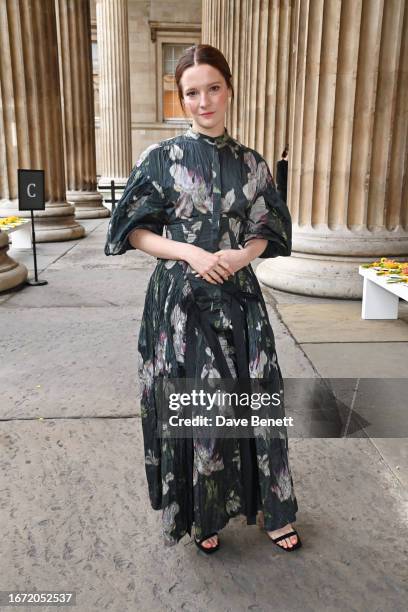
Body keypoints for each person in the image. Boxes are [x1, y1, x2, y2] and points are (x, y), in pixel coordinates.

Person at [104, 44, 301, 553]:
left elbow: (268, 229)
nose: (204, 101)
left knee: (256, 398)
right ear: (182, 98)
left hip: (238, 298)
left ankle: (272, 510)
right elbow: (132, 231)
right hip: (181, 302)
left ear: (229, 90)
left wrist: (240, 256)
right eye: (192, 92)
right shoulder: (160, 159)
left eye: (213, 88)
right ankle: (203, 513)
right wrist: (190, 252)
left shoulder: (252, 163)